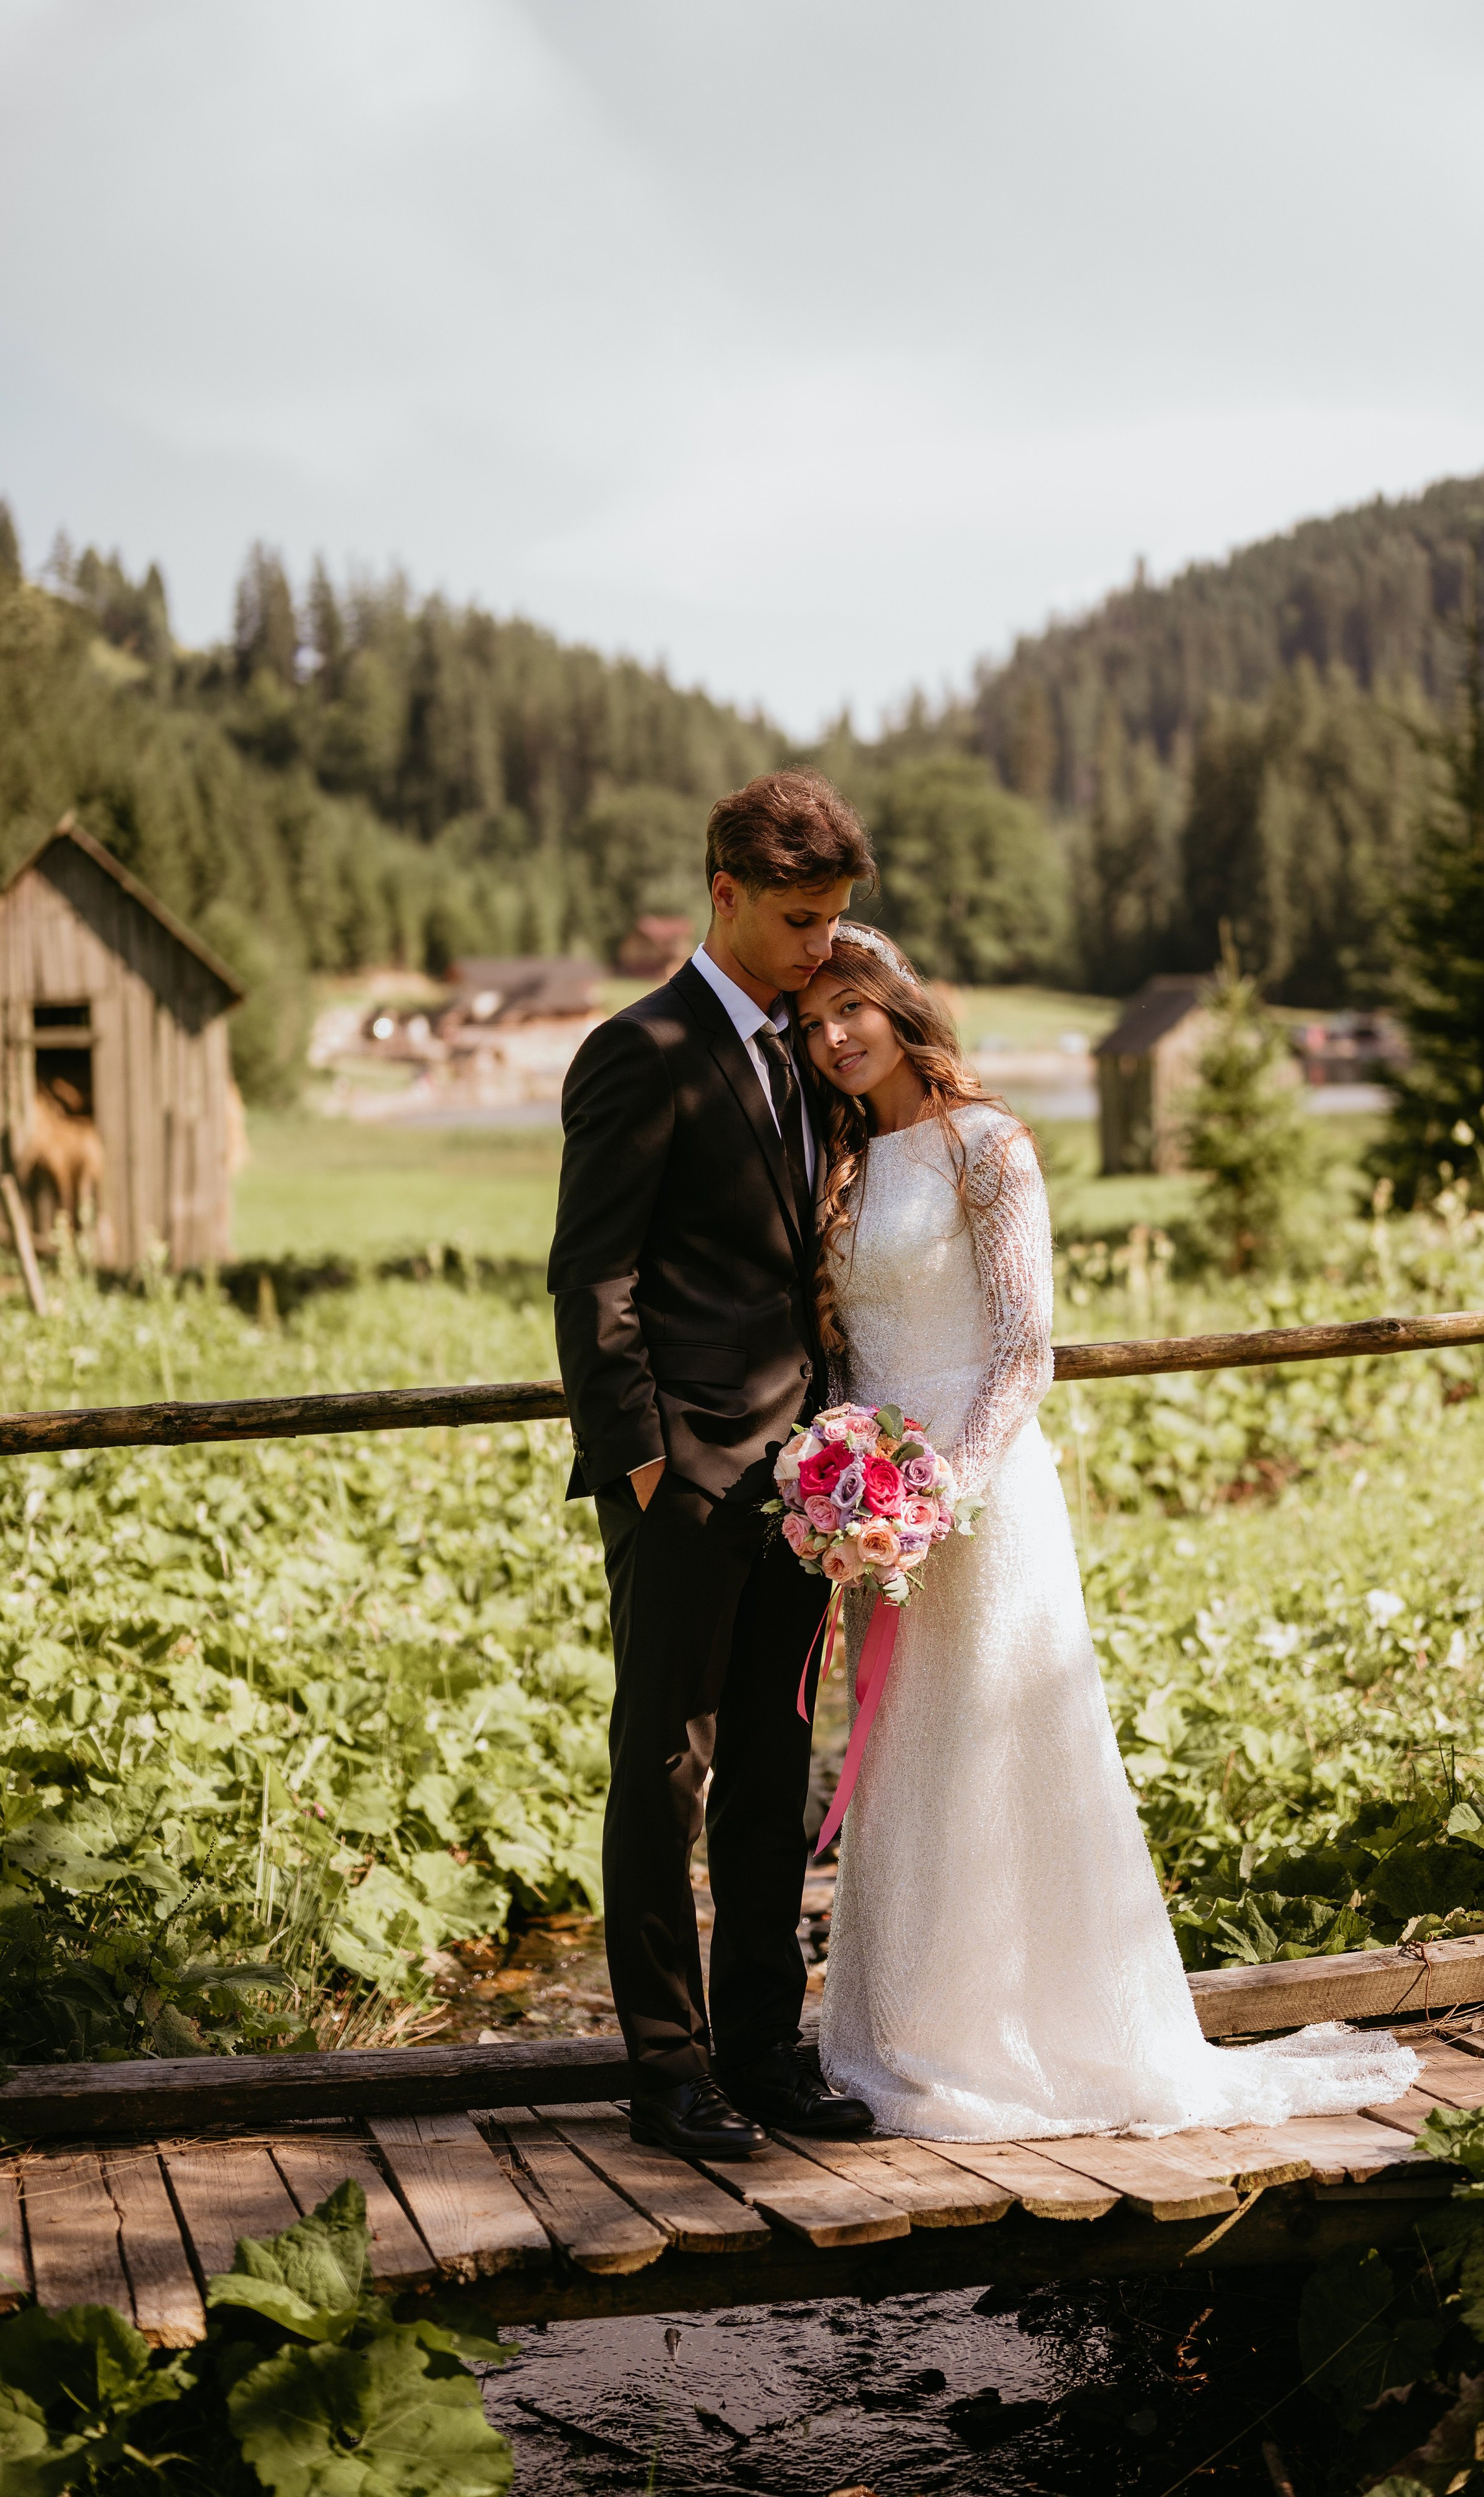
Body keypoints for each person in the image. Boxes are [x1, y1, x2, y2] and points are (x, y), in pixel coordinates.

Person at [796, 923, 1418, 2140]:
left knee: (1007, 1744)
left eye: (852, 1008)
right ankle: (914, 2035)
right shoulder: (850, 1166)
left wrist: (943, 1492)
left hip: (981, 1500)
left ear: (898, 1003)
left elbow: (1025, 1349)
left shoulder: (991, 1147)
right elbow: (846, 1352)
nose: (834, 1039)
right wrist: (850, 1493)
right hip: (882, 1515)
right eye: (813, 1023)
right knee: (912, 1756)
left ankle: (1046, 2038)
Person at [548, 771, 878, 2158]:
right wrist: (643, 1469)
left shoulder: (813, 1044)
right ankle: (670, 2075)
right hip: (682, 1484)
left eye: (835, 921)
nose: (820, 945)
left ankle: (763, 2050)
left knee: (775, 1770)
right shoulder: (641, 1048)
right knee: (663, 1769)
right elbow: (591, 1275)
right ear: (724, 894)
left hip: (804, 1489)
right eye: (798, 919)